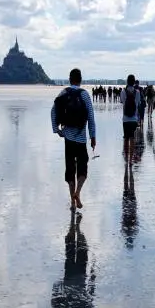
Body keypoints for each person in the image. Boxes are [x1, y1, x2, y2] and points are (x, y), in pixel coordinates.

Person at [51, 68, 96, 211]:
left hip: (68, 138)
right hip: (81, 139)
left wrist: (56, 130)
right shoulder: (85, 95)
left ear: (70, 79)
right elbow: (91, 118)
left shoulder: (64, 93)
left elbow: (53, 111)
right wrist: (93, 137)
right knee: (82, 169)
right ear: (80, 80)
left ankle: (72, 202)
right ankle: (78, 193)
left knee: (70, 169)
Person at [120, 74, 141, 163]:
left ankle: (126, 158)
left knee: (126, 138)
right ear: (134, 82)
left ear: (127, 81)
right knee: (132, 138)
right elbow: (138, 104)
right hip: (134, 119)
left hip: (125, 119)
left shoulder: (123, 91)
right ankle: (130, 160)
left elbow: (122, 102)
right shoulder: (137, 92)